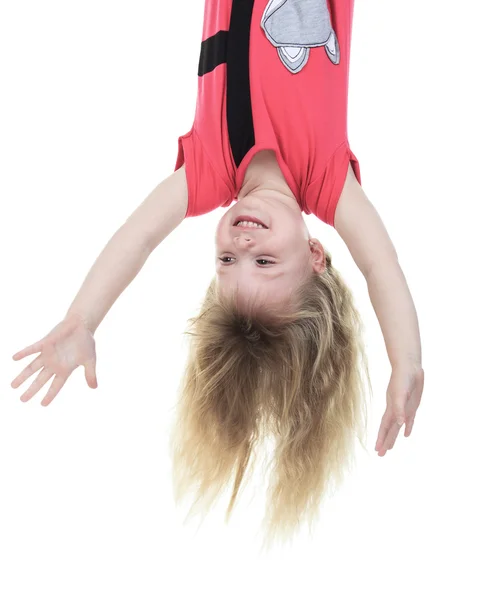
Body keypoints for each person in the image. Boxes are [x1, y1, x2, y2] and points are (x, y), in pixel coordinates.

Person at [10, 0, 424, 546]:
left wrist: (83, 318)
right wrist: (406, 361)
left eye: (227, 261)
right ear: (316, 255)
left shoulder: (209, 167)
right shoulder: (326, 179)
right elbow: (381, 266)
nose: (242, 242)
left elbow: (139, 237)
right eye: (265, 261)